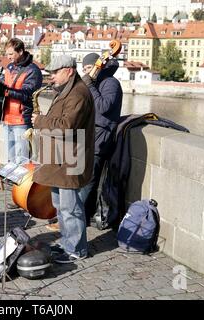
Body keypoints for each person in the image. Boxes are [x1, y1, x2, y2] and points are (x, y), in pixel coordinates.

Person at [31, 55, 94, 264]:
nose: (52, 77)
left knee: (71, 208)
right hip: (61, 159)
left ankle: (76, 249)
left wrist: (40, 120)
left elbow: (67, 126)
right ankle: (68, 243)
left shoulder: (78, 93)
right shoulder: (67, 90)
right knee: (61, 206)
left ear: (69, 71)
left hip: (71, 158)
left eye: (55, 73)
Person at [81, 53, 123, 225]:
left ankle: (81, 218)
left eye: (89, 68)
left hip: (101, 137)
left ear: (98, 66)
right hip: (91, 134)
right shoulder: (96, 83)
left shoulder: (111, 83)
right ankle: (83, 215)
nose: (87, 73)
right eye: (84, 70)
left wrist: (89, 87)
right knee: (84, 180)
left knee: (89, 182)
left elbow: (103, 107)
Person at [0, 38, 43, 164]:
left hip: (22, 119)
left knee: (22, 159)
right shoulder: (9, 67)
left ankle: (22, 183)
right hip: (6, 117)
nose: (8, 57)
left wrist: (6, 91)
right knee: (10, 159)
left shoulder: (32, 70)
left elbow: (27, 94)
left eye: (11, 54)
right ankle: (12, 183)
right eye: (7, 54)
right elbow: (1, 82)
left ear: (21, 51)